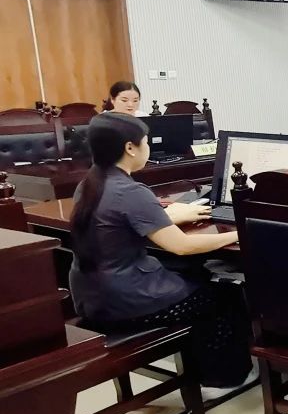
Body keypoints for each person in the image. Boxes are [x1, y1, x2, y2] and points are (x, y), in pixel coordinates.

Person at [68, 113, 251, 394]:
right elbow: (182, 246)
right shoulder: (130, 191)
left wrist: (169, 217)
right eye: (146, 142)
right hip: (126, 300)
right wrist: (241, 234)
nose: (148, 148)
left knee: (192, 273)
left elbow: (122, 223)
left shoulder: (89, 184)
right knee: (224, 295)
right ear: (130, 148)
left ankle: (204, 362)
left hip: (90, 296)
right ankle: (223, 376)